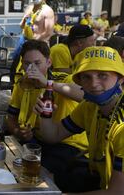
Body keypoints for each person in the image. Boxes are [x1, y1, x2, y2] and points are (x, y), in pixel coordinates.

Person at [34, 46, 124, 193]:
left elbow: (117, 192)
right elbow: (53, 135)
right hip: (99, 180)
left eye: (102, 75)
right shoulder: (90, 106)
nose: (93, 84)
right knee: (44, 178)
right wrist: (45, 114)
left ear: (120, 79)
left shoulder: (122, 126)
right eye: (86, 77)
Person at [7, 40, 90, 192]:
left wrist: (48, 84)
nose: (31, 69)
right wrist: (19, 132)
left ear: (49, 62)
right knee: (12, 166)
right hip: (37, 140)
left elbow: (86, 95)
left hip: (68, 144)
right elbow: (10, 119)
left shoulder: (63, 79)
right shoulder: (22, 85)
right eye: (27, 64)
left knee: (40, 175)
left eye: (37, 63)